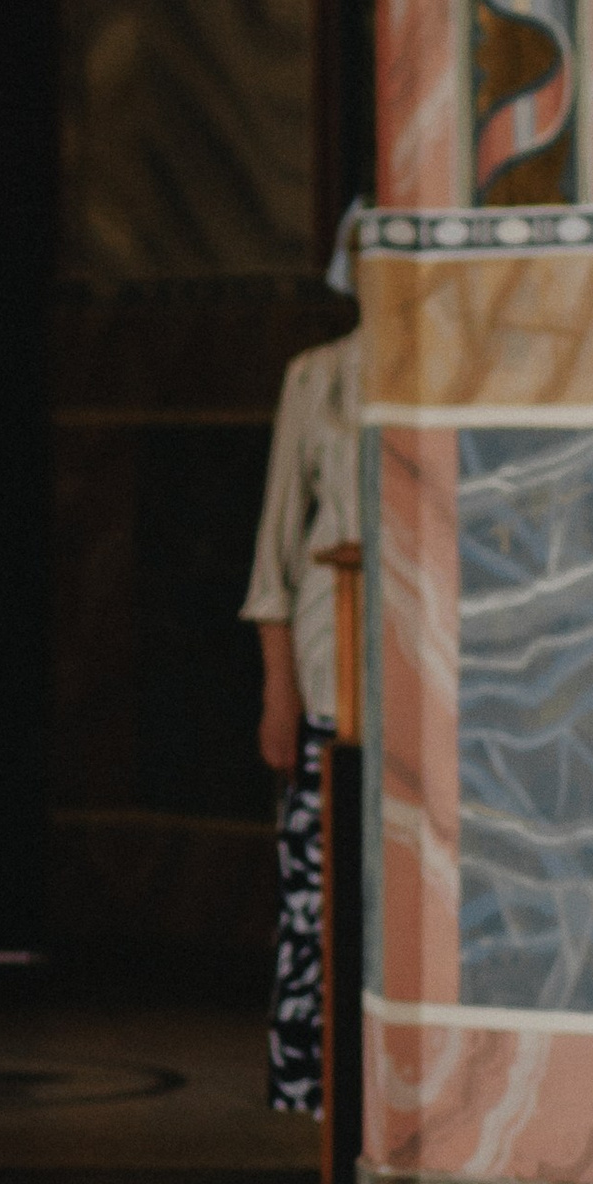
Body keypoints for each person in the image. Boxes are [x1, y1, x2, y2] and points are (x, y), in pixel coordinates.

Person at [242, 215, 364, 1119]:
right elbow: (275, 556)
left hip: (420, 672)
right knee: (317, 890)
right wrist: (278, 688)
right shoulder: (319, 378)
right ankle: (313, 1092)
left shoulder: (447, 376)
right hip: (332, 668)